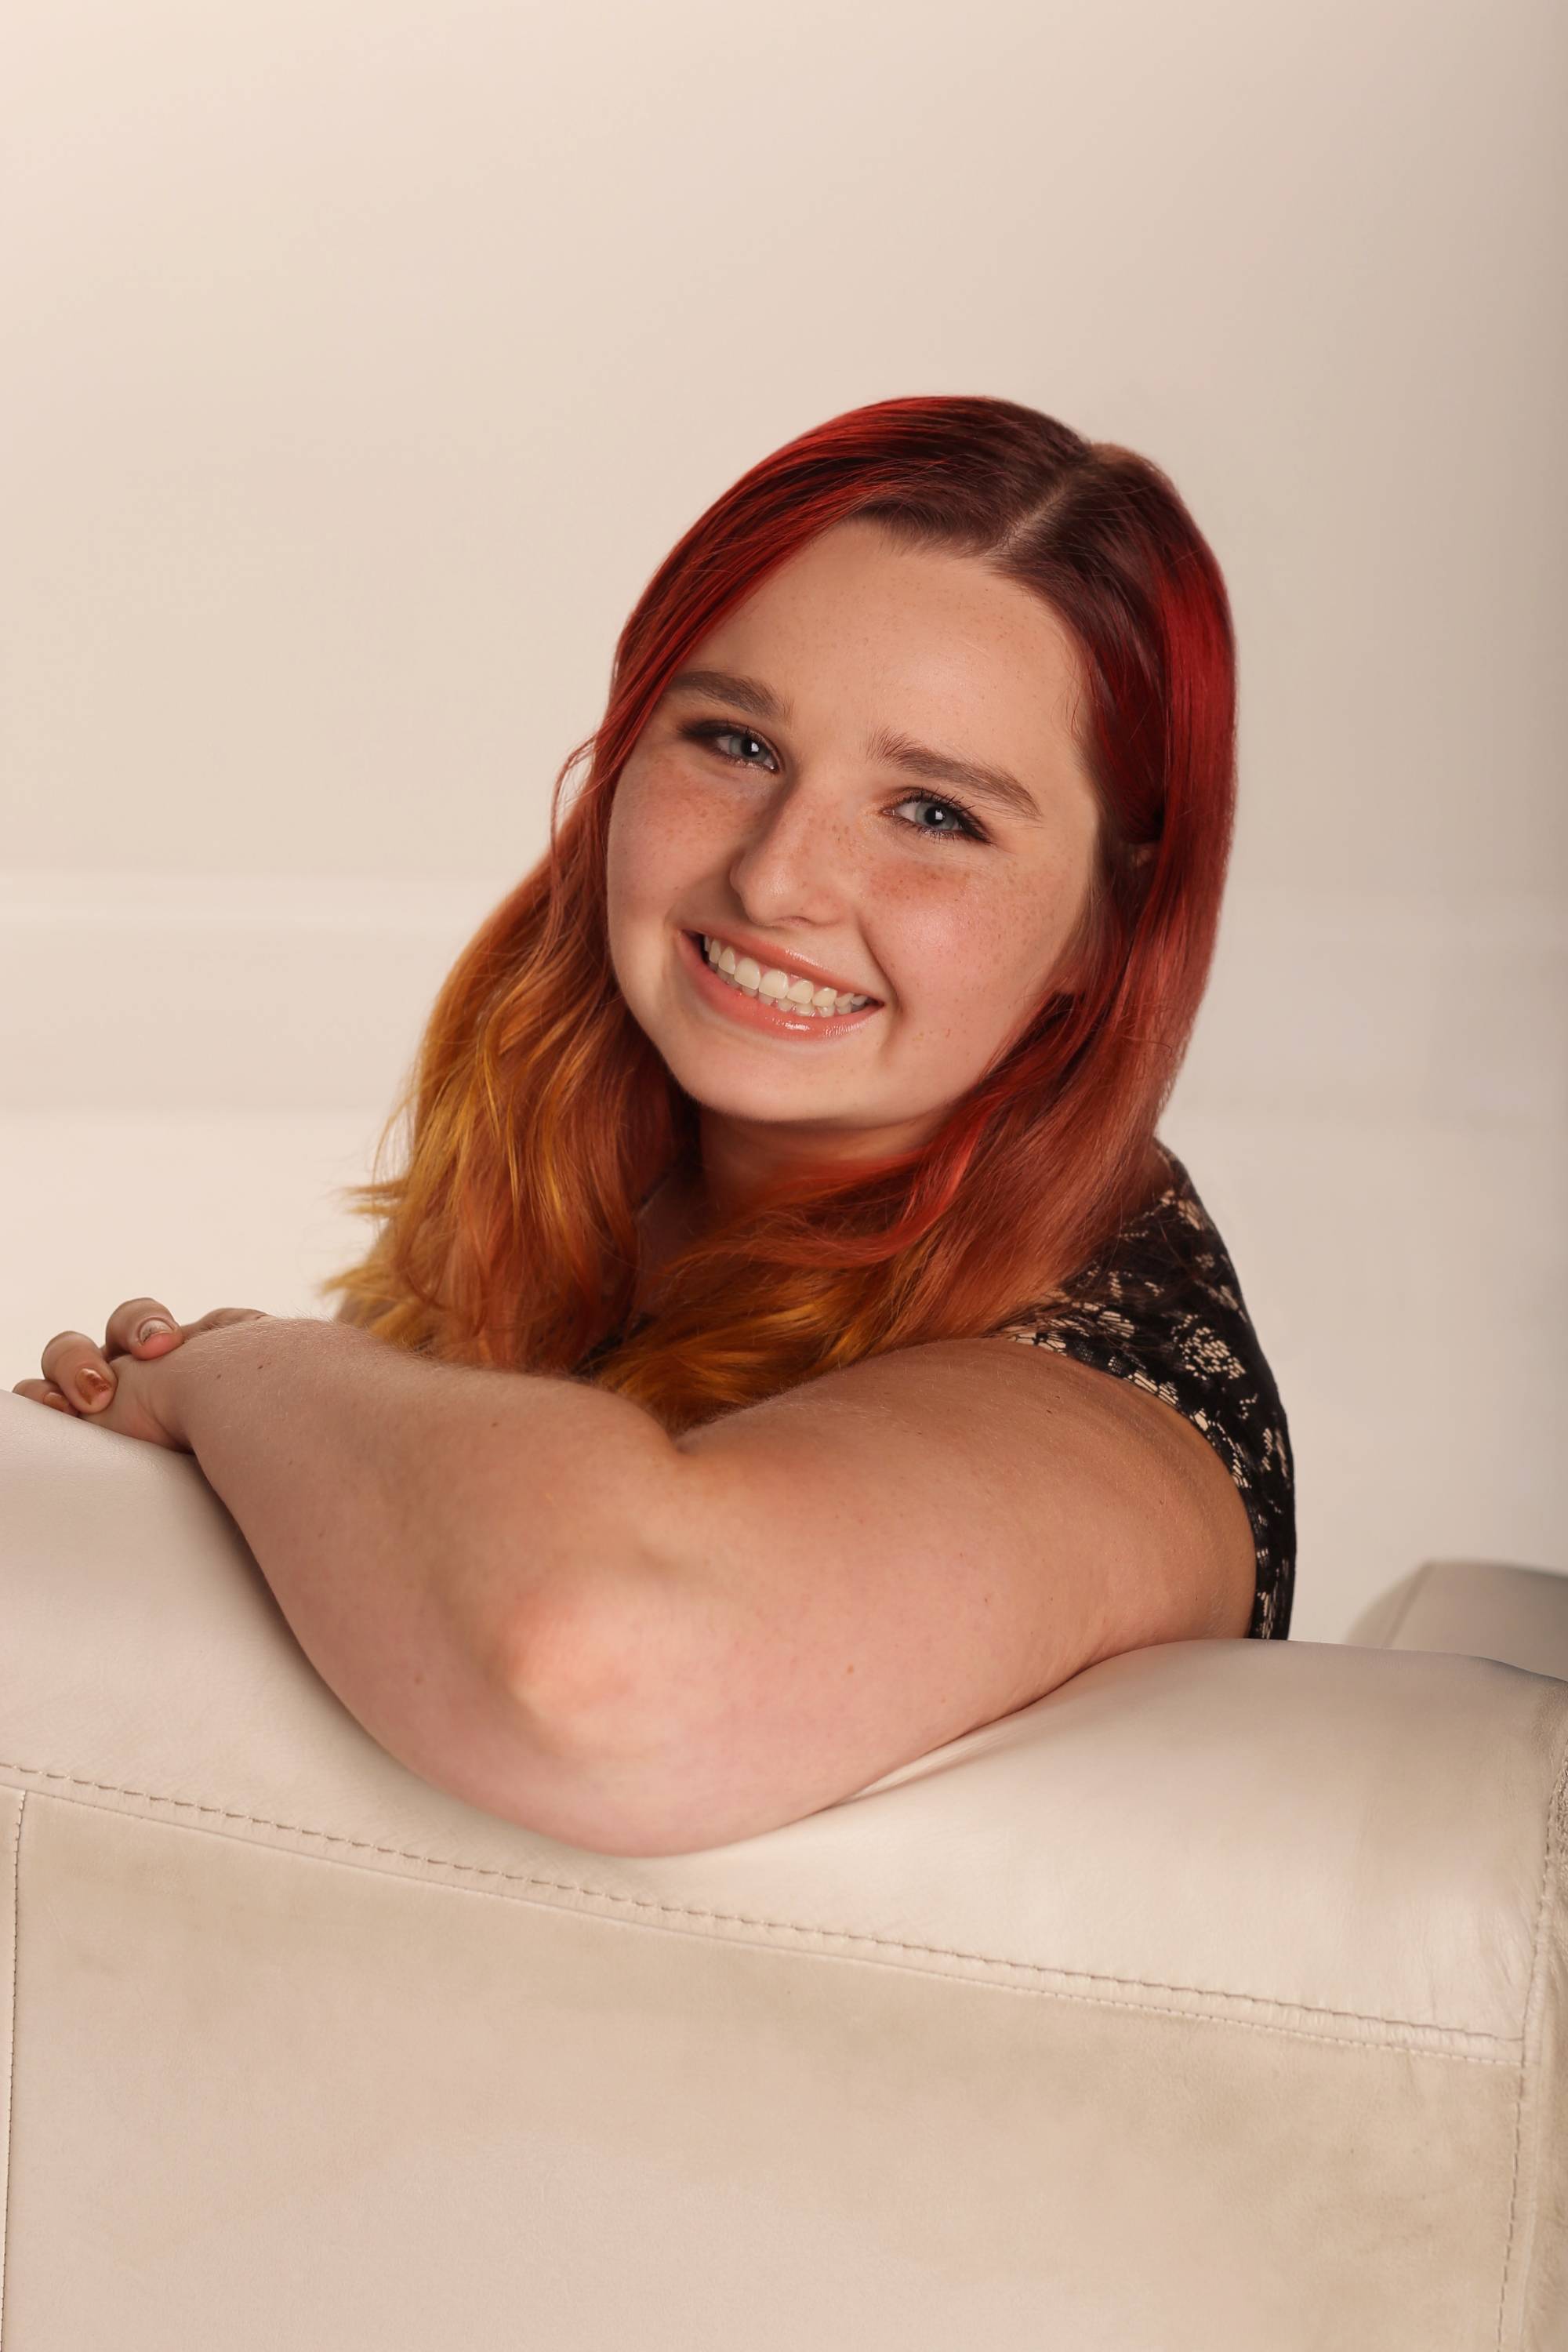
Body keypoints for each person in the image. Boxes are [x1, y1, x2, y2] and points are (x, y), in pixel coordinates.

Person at [14, 394, 1294, 1857]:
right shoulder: (620, 1169)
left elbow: (605, 1661)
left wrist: (240, 1371)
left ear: (1109, 929)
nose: (778, 881)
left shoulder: (1121, 1407)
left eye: (936, 814)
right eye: (737, 742)